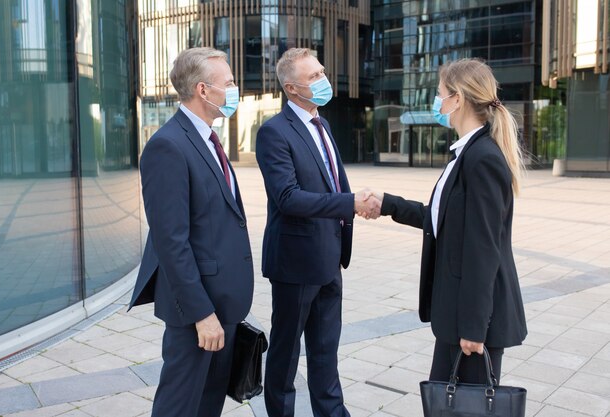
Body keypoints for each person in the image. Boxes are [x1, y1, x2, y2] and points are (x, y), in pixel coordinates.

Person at [363, 58, 527, 383]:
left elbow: (484, 249)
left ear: (458, 99)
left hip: (473, 324)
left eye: (440, 94)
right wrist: (388, 204)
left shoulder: (482, 159)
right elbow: (440, 219)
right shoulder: (465, 153)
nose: (437, 102)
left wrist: (473, 328)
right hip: (457, 314)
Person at [128, 47, 254, 417]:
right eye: (228, 83)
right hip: (198, 313)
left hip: (224, 304)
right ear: (203, 90)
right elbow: (171, 243)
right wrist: (202, 314)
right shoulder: (168, 146)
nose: (234, 90)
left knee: (208, 406)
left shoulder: (207, 139)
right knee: (180, 407)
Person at [256, 48, 377, 417]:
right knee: (285, 355)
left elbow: (332, 182)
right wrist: (349, 203)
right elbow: (288, 197)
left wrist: (350, 204)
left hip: (329, 258)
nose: (323, 81)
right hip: (295, 264)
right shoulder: (274, 133)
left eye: (322, 72)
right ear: (292, 89)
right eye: (313, 77)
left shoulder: (322, 125)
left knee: (326, 353)